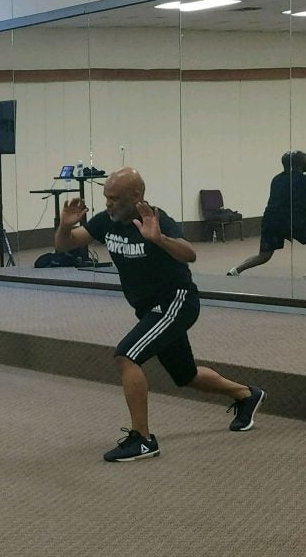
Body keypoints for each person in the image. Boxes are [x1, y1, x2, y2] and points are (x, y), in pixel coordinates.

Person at [55, 167, 265, 462]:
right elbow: (64, 245)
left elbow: (189, 254)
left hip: (176, 302)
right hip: (149, 308)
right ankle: (246, 394)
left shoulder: (155, 218)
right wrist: (65, 226)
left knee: (126, 356)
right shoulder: (106, 221)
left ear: (136, 196)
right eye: (106, 197)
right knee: (186, 375)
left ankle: (142, 439)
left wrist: (158, 239)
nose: (108, 203)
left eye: (114, 198)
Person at [227, 150, 306, 275]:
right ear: (301, 164)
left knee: (264, 256)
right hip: (293, 219)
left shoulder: (277, 179)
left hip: (271, 220)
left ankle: (236, 270)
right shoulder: (302, 180)